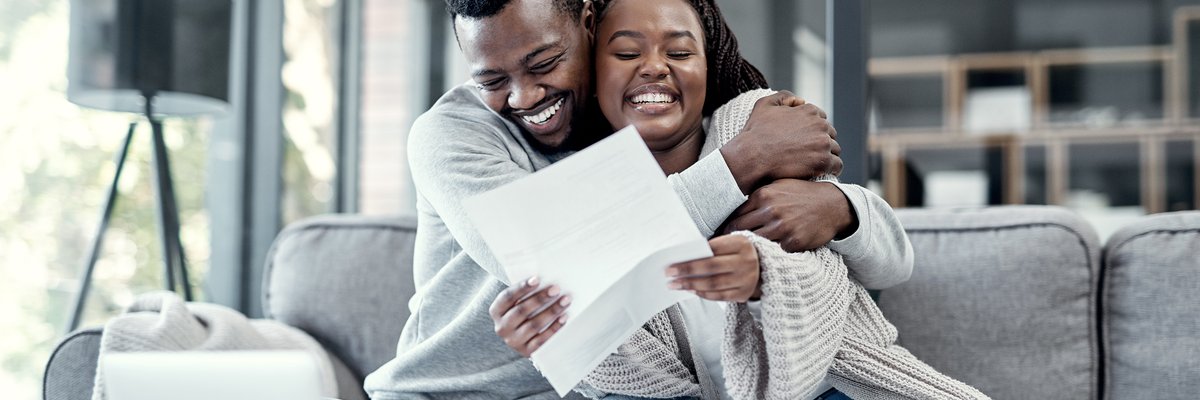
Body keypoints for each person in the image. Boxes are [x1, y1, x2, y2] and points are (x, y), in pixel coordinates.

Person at [363, 0, 911, 398]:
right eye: (491, 79)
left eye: (543, 64)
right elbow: (555, 257)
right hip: (448, 393)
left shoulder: (643, 124)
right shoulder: (453, 134)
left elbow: (873, 262)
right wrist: (742, 162)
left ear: (585, 24)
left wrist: (842, 210)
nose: (524, 97)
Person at [486, 0, 987, 399]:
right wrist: (548, 340)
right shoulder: (575, 204)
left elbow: (889, 264)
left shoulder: (761, 133)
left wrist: (837, 213)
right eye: (626, 53)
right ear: (594, 80)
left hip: (832, 385)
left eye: (680, 53)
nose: (654, 67)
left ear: (709, 70)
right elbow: (610, 374)